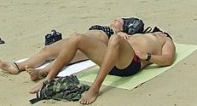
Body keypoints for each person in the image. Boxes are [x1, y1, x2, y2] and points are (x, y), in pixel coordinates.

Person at [29, 30, 176, 104]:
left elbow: (168, 59)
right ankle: (48, 79)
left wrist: (148, 57)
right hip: (112, 57)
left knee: (115, 39)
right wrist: (122, 34)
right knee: (76, 38)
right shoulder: (141, 34)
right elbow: (117, 39)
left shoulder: (164, 39)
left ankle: (95, 88)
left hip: (131, 63)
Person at [0, 18, 127, 77]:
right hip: (77, 39)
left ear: (123, 27)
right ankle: (17, 66)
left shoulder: (120, 33)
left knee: (64, 57)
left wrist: (122, 34)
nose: (116, 20)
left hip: (89, 46)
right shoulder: (104, 25)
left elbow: (119, 44)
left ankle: (40, 72)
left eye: (120, 21)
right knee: (47, 50)